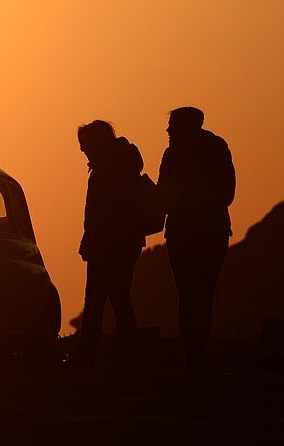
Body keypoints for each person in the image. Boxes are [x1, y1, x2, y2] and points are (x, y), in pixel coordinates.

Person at [157, 106, 234, 371]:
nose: (167, 131)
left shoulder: (174, 154)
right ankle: (195, 354)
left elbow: (164, 197)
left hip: (185, 232)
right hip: (213, 231)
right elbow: (228, 193)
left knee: (188, 294)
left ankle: (191, 356)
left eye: (172, 126)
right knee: (203, 294)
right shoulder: (218, 149)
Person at [72, 120, 145, 368]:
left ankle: (88, 353)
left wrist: (91, 239)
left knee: (96, 299)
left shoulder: (109, 168)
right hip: (124, 241)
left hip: (109, 242)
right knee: (119, 296)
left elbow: (101, 211)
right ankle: (126, 350)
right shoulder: (121, 163)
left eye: (85, 145)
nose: (82, 150)